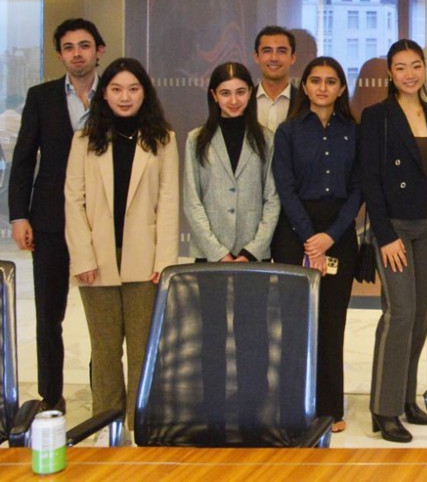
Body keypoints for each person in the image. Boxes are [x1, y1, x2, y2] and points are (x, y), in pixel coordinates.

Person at [64, 57, 179, 438]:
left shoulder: (162, 138)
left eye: (132, 89)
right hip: (96, 259)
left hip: (145, 260)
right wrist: (82, 256)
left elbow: (168, 202)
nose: (125, 97)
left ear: (145, 93)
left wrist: (164, 261)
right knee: (105, 349)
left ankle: (138, 424)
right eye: (116, 89)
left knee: (144, 348)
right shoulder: (85, 139)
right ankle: (107, 425)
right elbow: (73, 200)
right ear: (105, 94)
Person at [10, 18, 105, 414]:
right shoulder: (41, 97)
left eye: (84, 45)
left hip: (101, 220)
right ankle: (51, 397)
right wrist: (18, 216)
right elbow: (23, 158)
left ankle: (105, 394)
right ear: (60, 55)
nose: (77, 54)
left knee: (102, 316)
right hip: (49, 218)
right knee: (49, 315)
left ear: (99, 50)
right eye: (68, 47)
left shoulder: (116, 93)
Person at [182, 62, 281, 439]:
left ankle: (252, 415)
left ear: (250, 94)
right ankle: (215, 418)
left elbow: (273, 199)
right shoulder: (196, 139)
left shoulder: (266, 138)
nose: (234, 100)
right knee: (211, 337)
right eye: (225, 93)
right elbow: (192, 200)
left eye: (240, 92)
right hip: (210, 256)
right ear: (213, 96)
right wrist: (218, 251)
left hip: (254, 256)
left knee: (253, 336)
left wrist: (253, 250)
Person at [359, 40, 427, 443]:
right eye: (400, 67)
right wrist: (385, 235)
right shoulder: (377, 116)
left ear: (424, 68)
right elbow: (370, 179)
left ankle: (406, 397)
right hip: (394, 228)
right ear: (390, 73)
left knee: (420, 316)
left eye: (415, 66)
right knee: (400, 313)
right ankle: (384, 407)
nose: (409, 74)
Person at [272, 56, 361, 434]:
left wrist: (330, 237)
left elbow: (358, 189)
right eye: (315, 80)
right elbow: (285, 187)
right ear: (305, 87)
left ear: (341, 88)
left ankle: (329, 409)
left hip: (339, 233)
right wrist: (311, 240)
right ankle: (295, 406)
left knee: (332, 323)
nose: (322, 87)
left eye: (330, 81)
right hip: (295, 235)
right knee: (297, 324)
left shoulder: (354, 131)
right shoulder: (288, 132)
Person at [253, 26, 297, 132]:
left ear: (292, 58)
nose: (274, 58)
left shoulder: (305, 104)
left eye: (281, 51)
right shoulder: (244, 101)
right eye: (267, 51)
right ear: (257, 57)